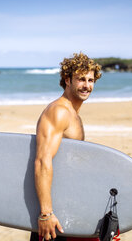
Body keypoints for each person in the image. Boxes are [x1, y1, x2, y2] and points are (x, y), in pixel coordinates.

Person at [30, 52, 102, 241]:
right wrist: (45, 214)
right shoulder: (59, 112)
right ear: (67, 80)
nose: (87, 85)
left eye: (90, 80)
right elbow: (42, 161)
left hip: (66, 205)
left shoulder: (73, 113)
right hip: (53, 213)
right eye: (81, 79)